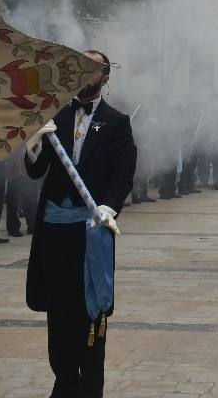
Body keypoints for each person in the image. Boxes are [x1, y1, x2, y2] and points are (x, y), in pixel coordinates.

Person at [26, 50, 136, 398]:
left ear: (105, 76)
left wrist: (108, 207)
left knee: (89, 313)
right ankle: (64, 382)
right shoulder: (55, 115)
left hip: (91, 231)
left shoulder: (117, 122)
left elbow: (123, 172)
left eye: (91, 68)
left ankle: (90, 389)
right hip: (55, 231)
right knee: (58, 312)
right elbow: (35, 169)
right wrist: (33, 140)